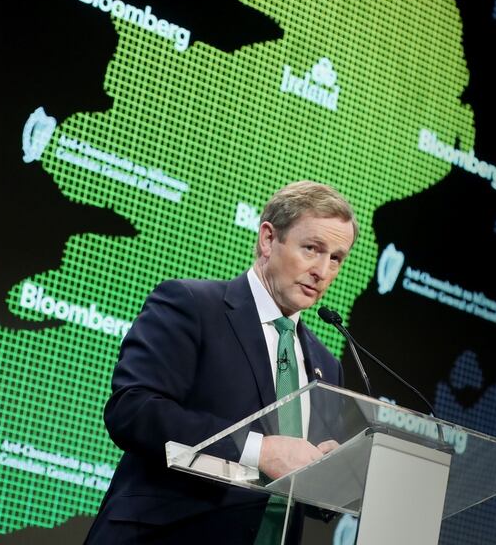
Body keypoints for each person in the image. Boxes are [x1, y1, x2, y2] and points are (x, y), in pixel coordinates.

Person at [83, 180, 358, 545]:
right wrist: (260, 450)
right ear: (267, 239)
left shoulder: (326, 364)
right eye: (312, 249)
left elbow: (305, 492)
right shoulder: (192, 306)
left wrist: (332, 476)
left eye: (336, 258)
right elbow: (134, 412)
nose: (323, 271)